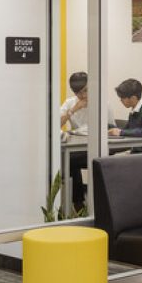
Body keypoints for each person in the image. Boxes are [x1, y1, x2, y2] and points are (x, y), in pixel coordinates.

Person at [59, 72, 90, 210]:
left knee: (70, 160)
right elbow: (56, 124)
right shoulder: (70, 103)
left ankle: (78, 204)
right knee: (67, 159)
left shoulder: (102, 102)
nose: (83, 96)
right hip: (77, 147)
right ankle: (77, 203)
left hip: (95, 147)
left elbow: (111, 128)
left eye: (86, 90)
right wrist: (74, 109)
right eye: (79, 93)